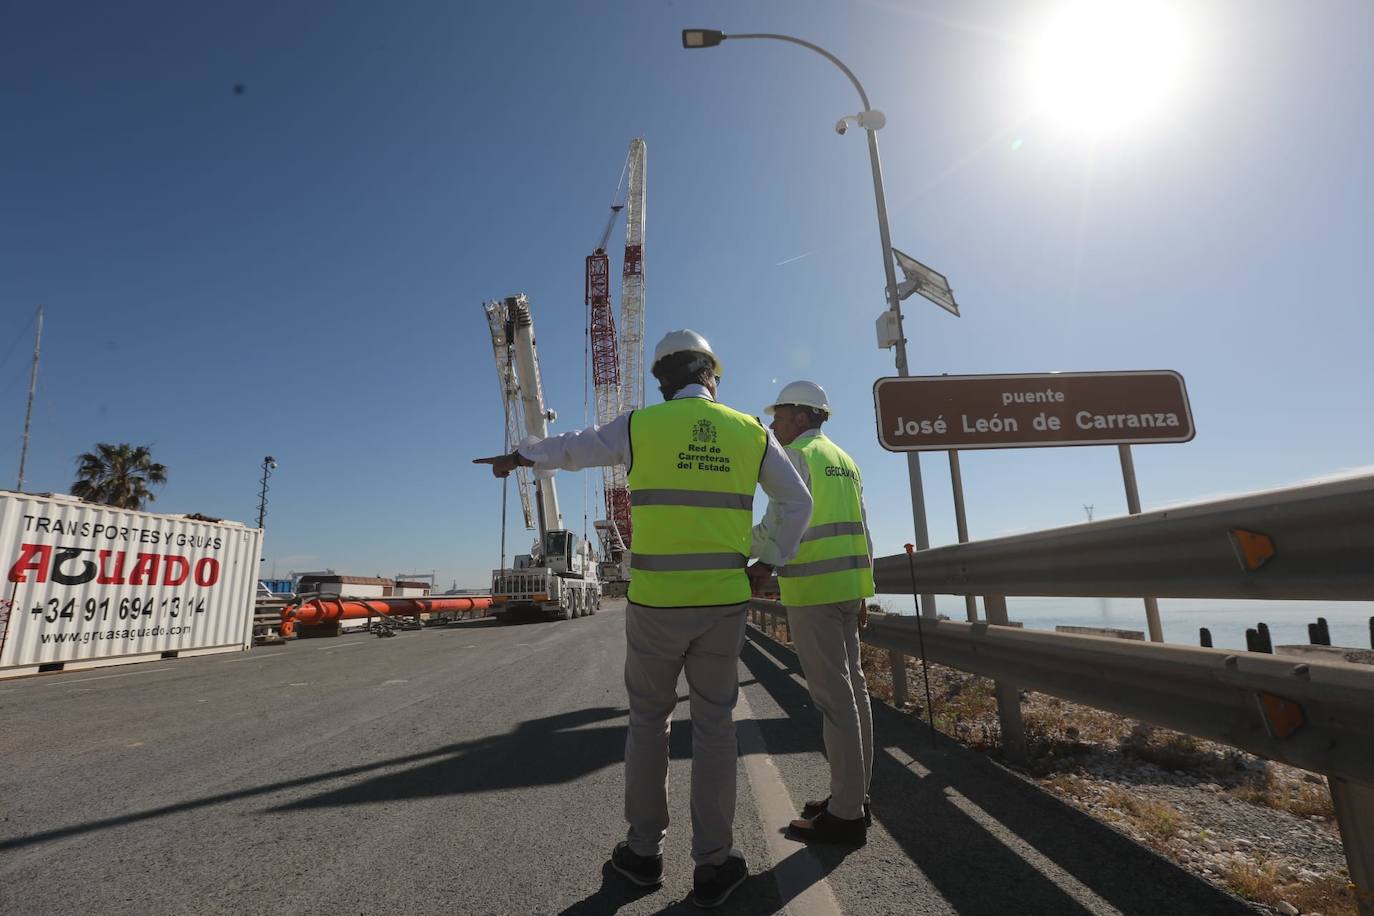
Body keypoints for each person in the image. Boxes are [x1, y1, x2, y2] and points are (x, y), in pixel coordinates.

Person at [475, 330, 811, 908]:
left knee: (648, 724)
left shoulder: (638, 426)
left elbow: (573, 449)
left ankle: (642, 854)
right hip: (723, 602)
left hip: (656, 604)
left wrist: (519, 455)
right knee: (714, 727)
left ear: (662, 380)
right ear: (711, 375)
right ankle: (713, 864)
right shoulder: (751, 432)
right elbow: (797, 500)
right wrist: (767, 560)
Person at [751, 380, 875, 846]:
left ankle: (845, 815)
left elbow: (784, 520)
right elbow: (862, 526)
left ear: (802, 416)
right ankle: (855, 797)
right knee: (856, 696)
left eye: (779, 415)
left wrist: (757, 558)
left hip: (815, 590)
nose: (773, 424)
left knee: (834, 700)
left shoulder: (798, 457)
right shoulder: (844, 459)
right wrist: (864, 592)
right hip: (847, 588)